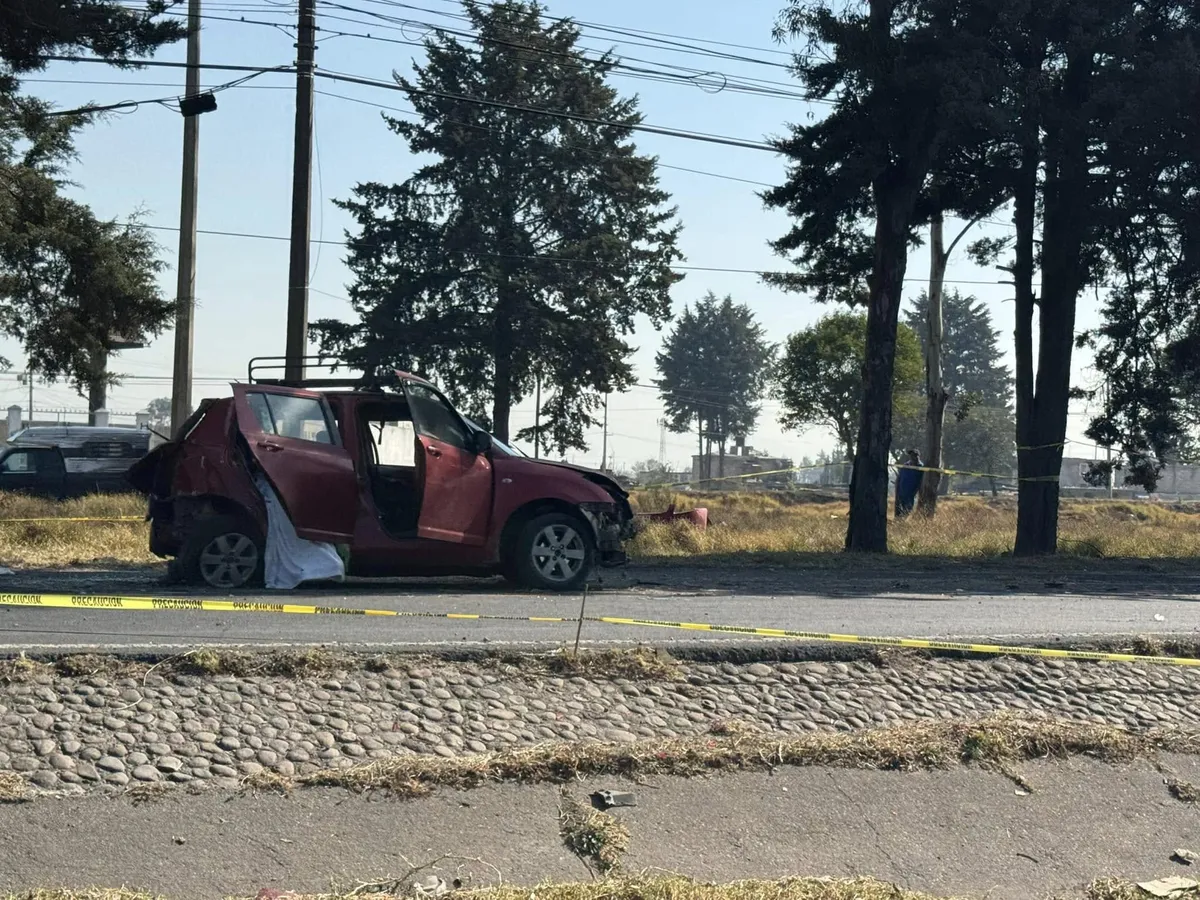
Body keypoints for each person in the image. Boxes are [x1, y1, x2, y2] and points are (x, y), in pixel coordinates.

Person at [895, 448, 923, 518]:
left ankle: (903, 524)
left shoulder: (921, 467)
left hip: (911, 494)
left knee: (907, 511)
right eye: (910, 456)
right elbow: (899, 478)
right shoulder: (905, 465)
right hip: (901, 492)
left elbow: (921, 482)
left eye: (914, 456)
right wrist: (897, 489)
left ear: (918, 456)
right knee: (898, 512)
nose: (912, 457)